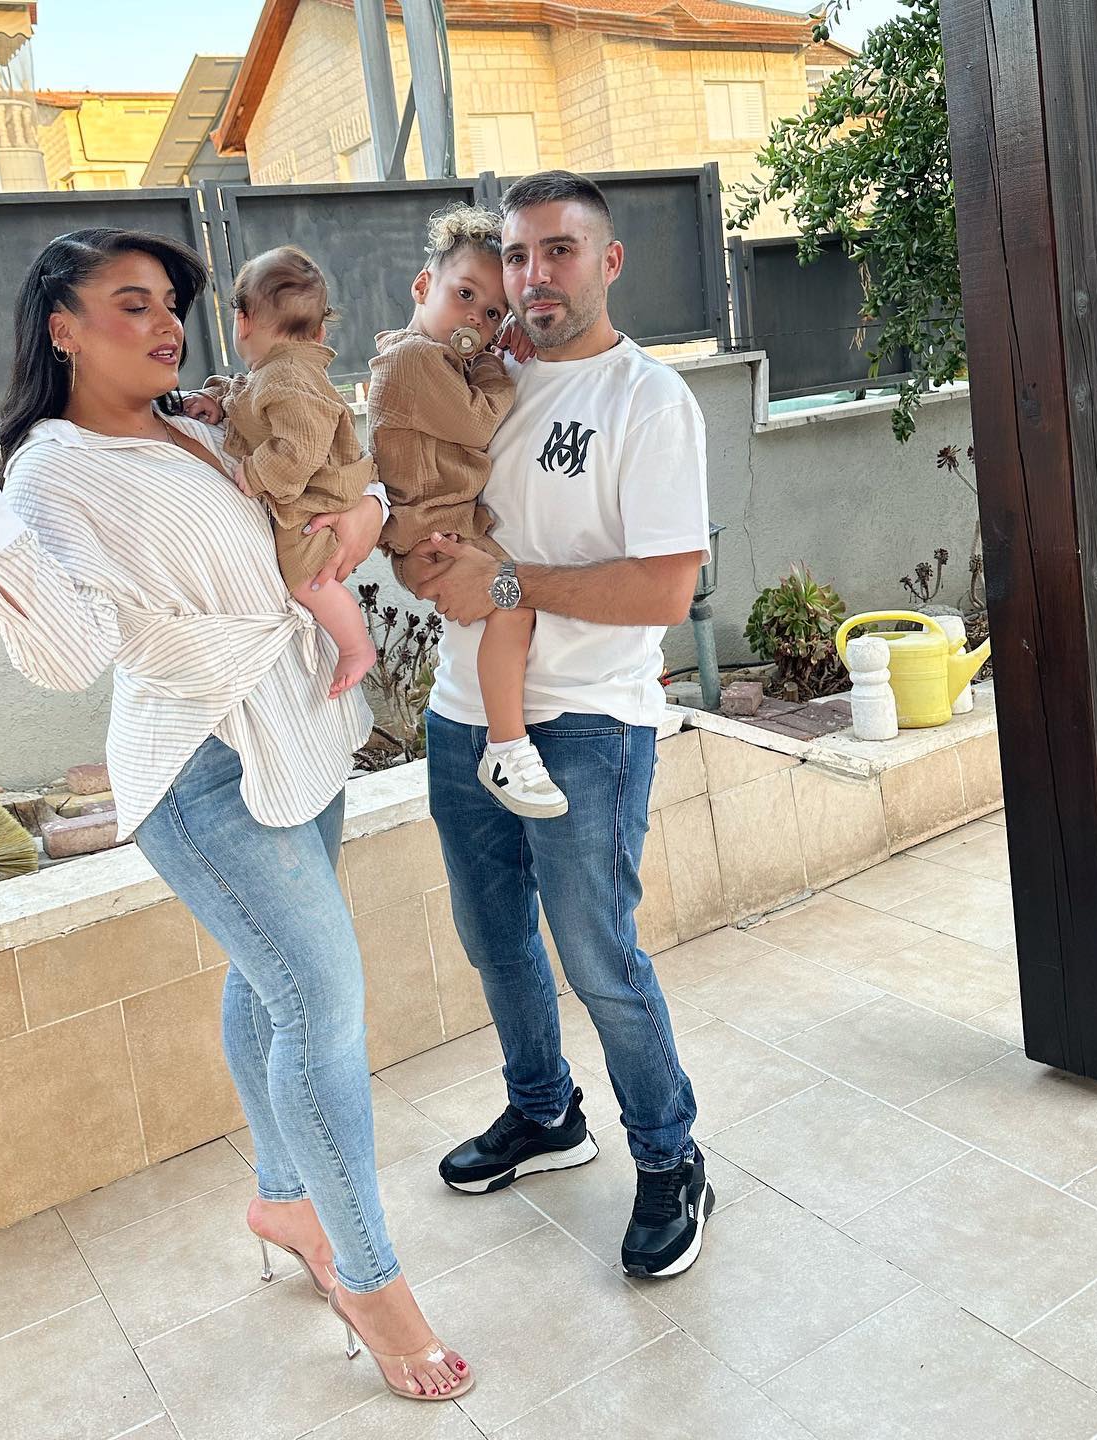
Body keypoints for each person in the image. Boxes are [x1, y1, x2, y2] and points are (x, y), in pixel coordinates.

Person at [0, 227, 472, 1402]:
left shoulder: (194, 426)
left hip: (295, 730)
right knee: (322, 1009)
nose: (164, 324)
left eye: (171, 304)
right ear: (62, 328)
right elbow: (69, 654)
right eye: (131, 303)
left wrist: (361, 511)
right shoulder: (51, 473)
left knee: (269, 984)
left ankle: (286, 1204)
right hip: (203, 767)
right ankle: (374, 1282)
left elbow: (310, 499)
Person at [404, 172, 714, 1279]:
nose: (534, 276)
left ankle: (671, 1155)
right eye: (518, 255)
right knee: (493, 939)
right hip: (461, 713)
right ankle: (544, 1114)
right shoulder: (477, 375)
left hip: (588, 724)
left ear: (608, 261)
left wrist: (503, 584)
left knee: (597, 955)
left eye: (559, 251)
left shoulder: (647, 401)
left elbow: (667, 589)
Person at [370, 204, 567, 819]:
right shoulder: (414, 361)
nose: (476, 320)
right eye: (464, 296)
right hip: (434, 532)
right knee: (515, 602)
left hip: (441, 526)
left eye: (493, 314)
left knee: (514, 607)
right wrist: (495, 363)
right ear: (422, 286)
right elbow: (480, 422)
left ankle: (506, 740)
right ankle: (506, 748)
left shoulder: (431, 360)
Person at [182, 246, 376, 699]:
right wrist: (218, 402)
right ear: (319, 330)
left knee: (306, 578)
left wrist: (256, 473)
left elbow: (299, 446)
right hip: (317, 488)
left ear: (243, 320)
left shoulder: (285, 376)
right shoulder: (278, 371)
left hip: (318, 495)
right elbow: (251, 402)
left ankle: (356, 646)